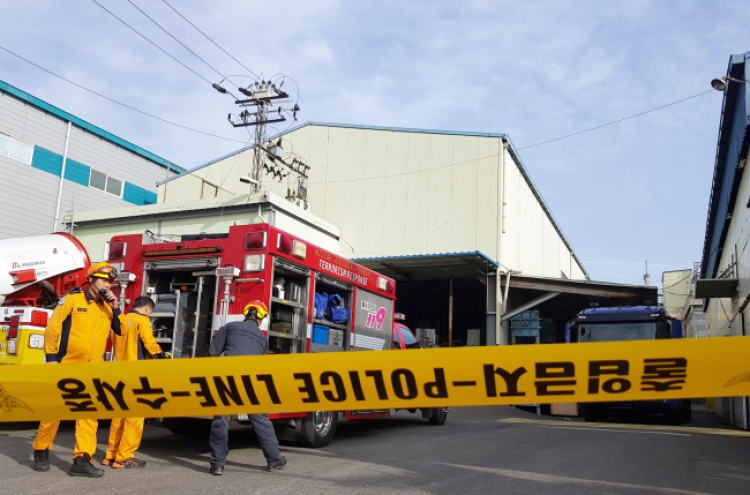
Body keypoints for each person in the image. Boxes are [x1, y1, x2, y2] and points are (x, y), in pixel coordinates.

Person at [32, 261, 124, 478]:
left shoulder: (107, 308)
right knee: (54, 412)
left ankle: (82, 460)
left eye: (110, 282)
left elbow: (122, 331)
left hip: (92, 370)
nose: (107, 285)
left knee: (88, 416)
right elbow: (53, 329)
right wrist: (52, 358)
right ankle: (41, 449)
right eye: (103, 280)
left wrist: (116, 307)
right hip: (66, 365)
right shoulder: (72, 300)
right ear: (91, 279)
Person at [207, 300, 287, 476]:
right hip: (250, 382)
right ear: (260, 318)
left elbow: (212, 353)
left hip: (227, 380)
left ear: (246, 314)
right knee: (260, 420)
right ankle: (274, 461)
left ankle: (217, 465)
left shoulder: (229, 327)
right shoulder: (262, 339)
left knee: (220, 421)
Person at [102, 296, 171, 469]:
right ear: (147, 309)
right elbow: (149, 343)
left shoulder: (122, 320)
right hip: (137, 374)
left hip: (119, 373)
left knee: (118, 416)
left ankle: (111, 455)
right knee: (134, 418)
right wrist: (161, 355)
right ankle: (124, 456)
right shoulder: (143, 321)